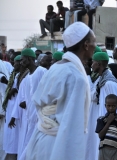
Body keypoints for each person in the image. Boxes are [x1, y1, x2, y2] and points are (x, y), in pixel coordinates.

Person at [25, 22, 94, 160]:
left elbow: (39, 103)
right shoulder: (76, 77)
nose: (95, 46)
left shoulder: (57, 67)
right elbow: (72, 126)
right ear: (86, 44)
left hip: (42, 138)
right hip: (58, 145)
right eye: (94, 42)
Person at [85, 52, 117, 160]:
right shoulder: (101, 79)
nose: (91, 65)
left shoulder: (109, 83)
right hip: (104, 125)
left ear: (99, 64)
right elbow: (93, 96)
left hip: (112, 130)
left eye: (93, 63)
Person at [17, 49, 47, 160]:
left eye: (22, 60)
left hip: (41, 117)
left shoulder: (42, 71)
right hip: (30, 117)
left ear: (29, 59)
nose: (21, 63)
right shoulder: (28, 76)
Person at [96, 94, 117, 160]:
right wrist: (108, 122)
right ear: (105, 106)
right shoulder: (101, 119)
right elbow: (100, 136)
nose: (111, 108)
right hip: (104, 150)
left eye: (113, 106)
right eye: (109, 106)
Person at [2, 55, 22, 160]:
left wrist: (14, 90)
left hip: (17, 110)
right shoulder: (14, 74)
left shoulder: (22, 76)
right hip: (10, 108)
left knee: (16, 134)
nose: (14, 64)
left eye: (16, 62)